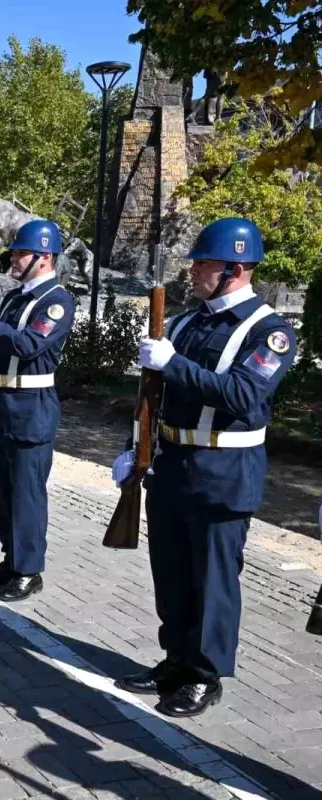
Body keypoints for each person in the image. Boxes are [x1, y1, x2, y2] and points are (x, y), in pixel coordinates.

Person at [113, 218, 296, 718]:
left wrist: (172, 363)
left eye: (203, 263)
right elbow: (153, 396)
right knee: (171, 572)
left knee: (213, 578)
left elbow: (242, 393)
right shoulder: (188, 322)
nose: (192, 270)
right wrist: (136, 446)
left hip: (223, 469)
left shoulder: (271, 332)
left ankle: (204, 674)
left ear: (234, 269)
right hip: (172, 463)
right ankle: (175, 660)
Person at [0, 219, 75, 602]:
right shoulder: (14, 298)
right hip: (3, 401)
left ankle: (29, 570)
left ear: (44, 258)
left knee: (27, 493)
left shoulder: (57, 301)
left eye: (21, 253)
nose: (13, 258)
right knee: (5, 491)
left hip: (32, 407)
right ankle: (11, 559)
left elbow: (28, 345)